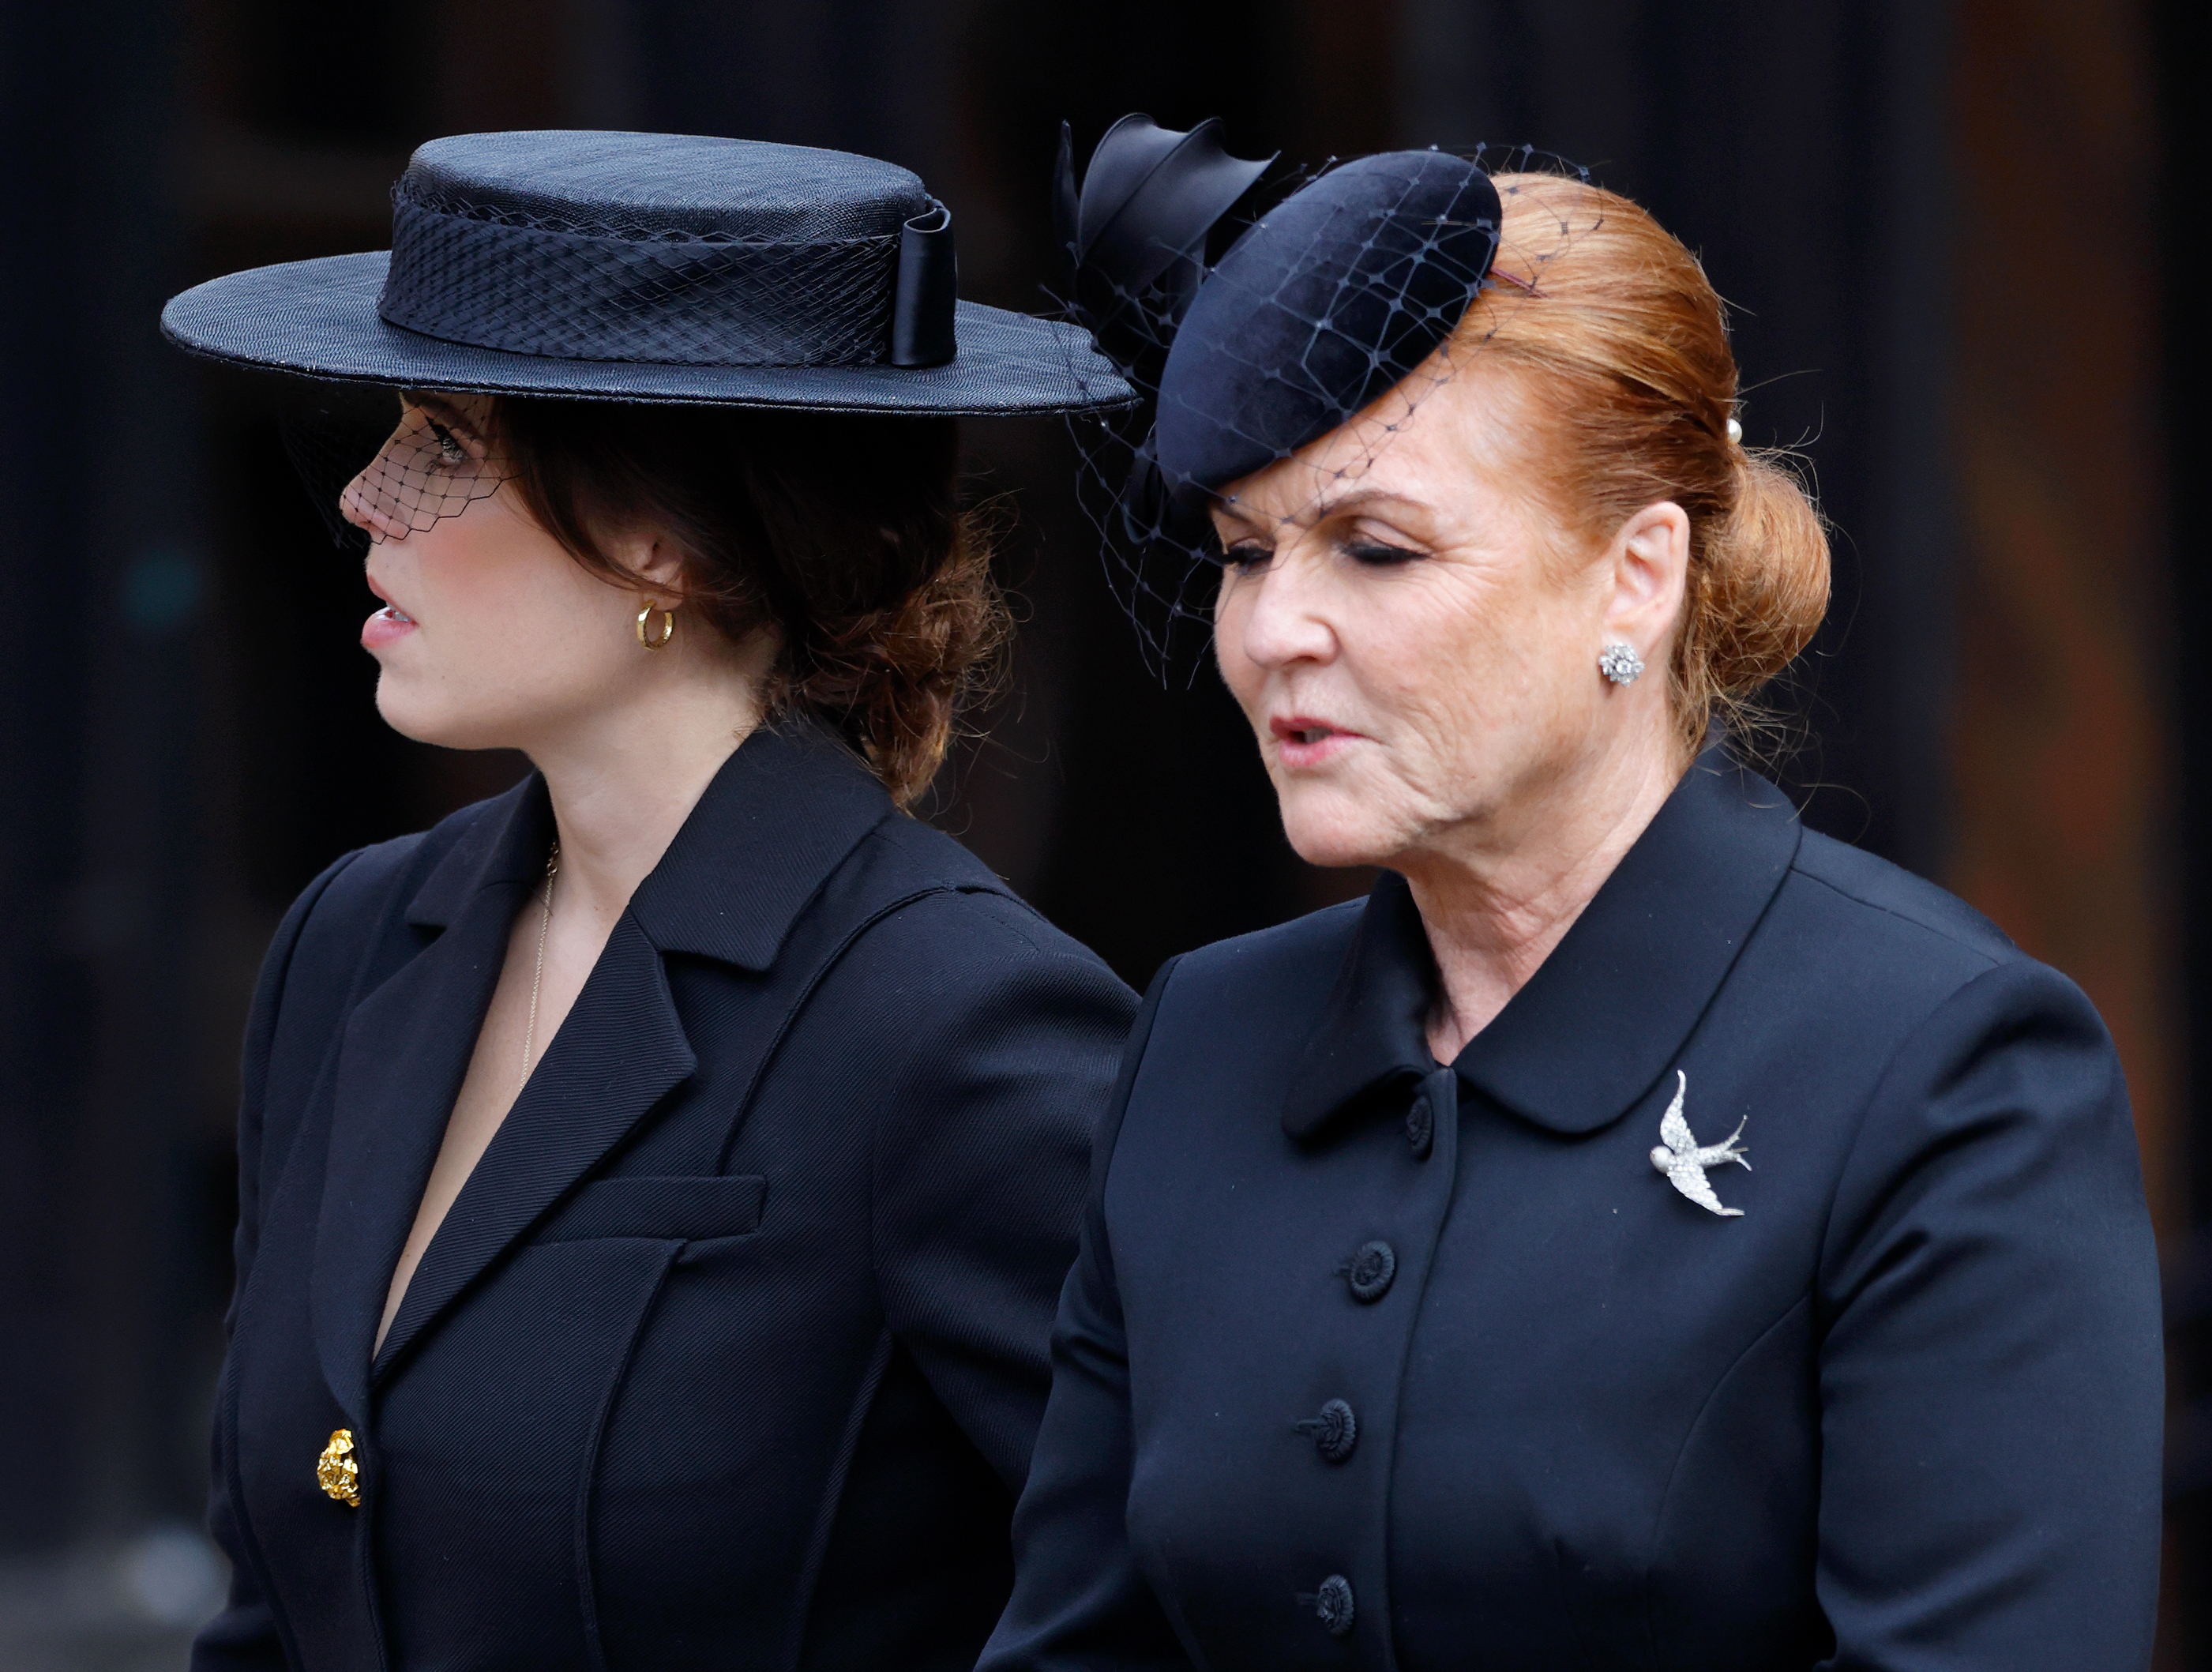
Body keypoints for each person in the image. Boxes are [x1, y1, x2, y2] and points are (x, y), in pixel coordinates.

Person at [982, 121, 2165, 1670]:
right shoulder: (1200, 1044)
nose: (1274, 632)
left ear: (1636, 574)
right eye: (1246, 553)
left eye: (1375, 550)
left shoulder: (1942, 1070)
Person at [161, 129, 1139, 1672]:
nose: (362, 495)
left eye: (443, 442)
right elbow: (277, 1595)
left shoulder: (953, 1021)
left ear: (657, 539)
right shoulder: (354, 939)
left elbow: (1165, 1597)